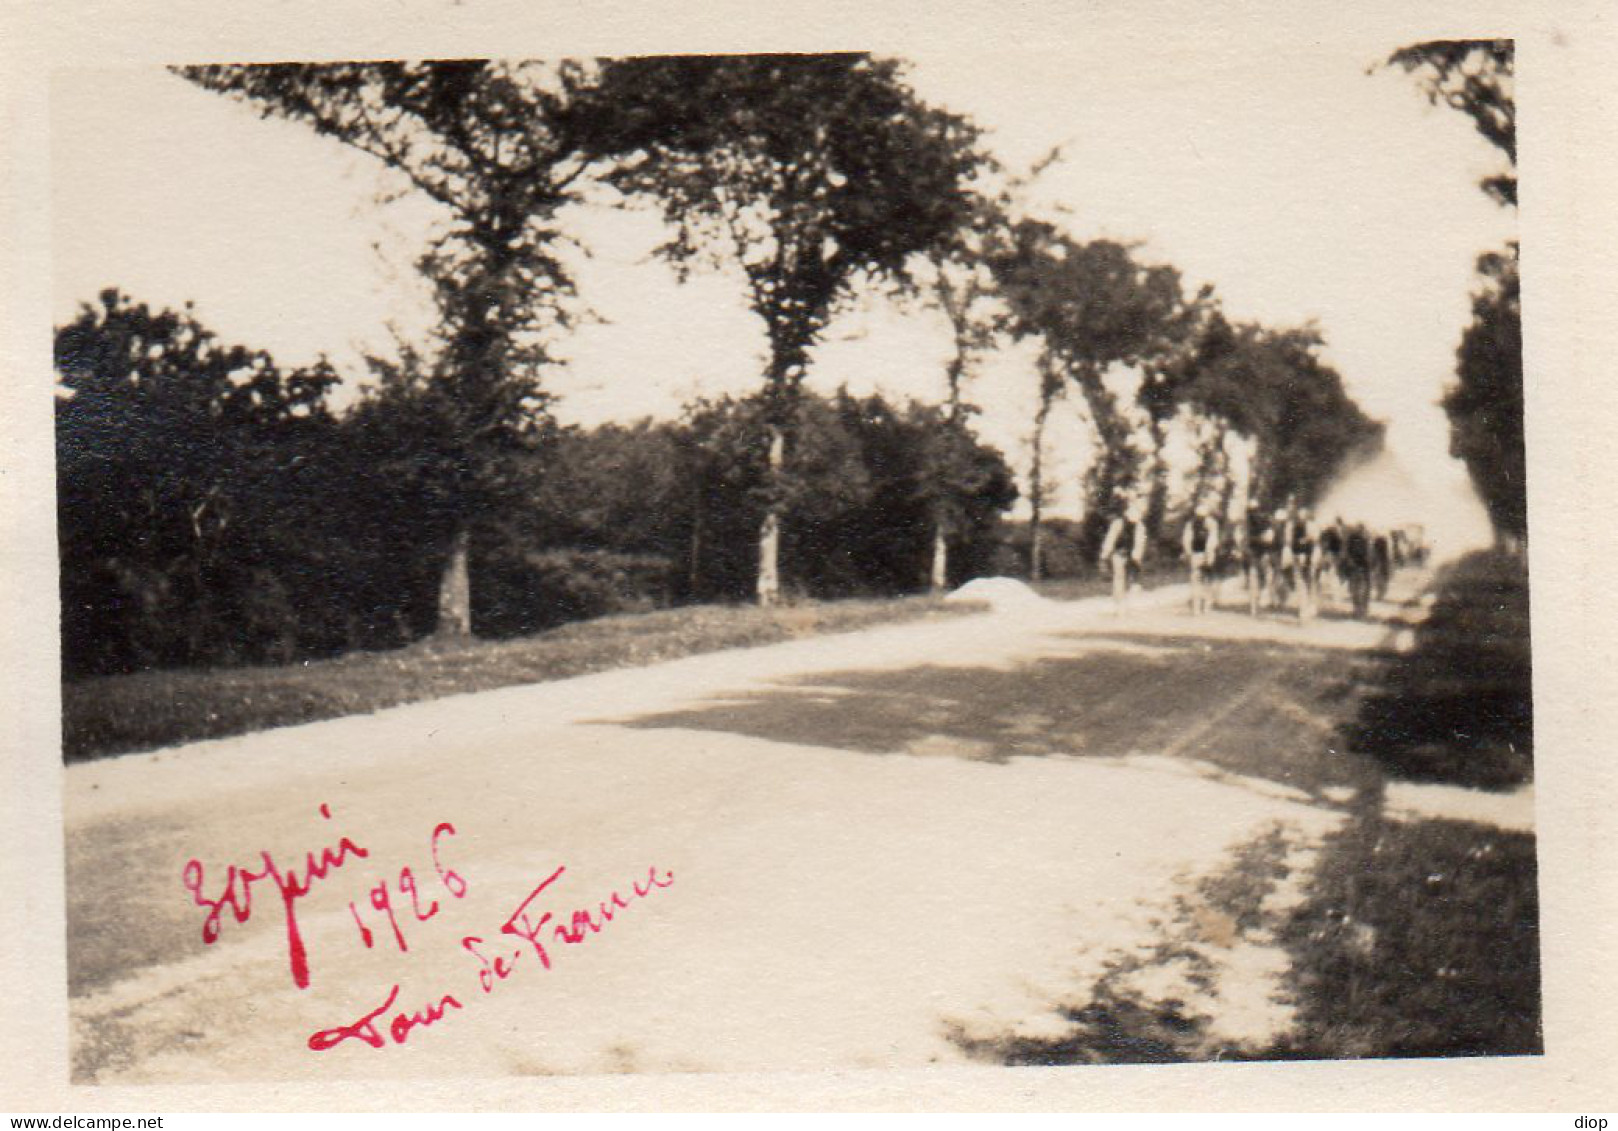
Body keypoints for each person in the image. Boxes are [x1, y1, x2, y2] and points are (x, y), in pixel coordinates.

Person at [1098, 498, 1148, 614]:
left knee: (1118, 580)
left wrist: (1104, 556)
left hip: (1119, 554)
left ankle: (1119, 606)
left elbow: (1110, 540)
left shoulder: (1118, 523)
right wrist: (1137, 560)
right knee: (1126, 580)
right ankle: (1124, 605)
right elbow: (1139, 543)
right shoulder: (1140, 526)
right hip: (1130, 555)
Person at [1181, 499, 1221, 616]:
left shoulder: (1191, 523)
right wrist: (1210, 554)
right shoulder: (1212, 523)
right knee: (1207, 580)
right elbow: (1213, 540)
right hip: (1206, 554)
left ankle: (1197, 608)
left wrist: (1188, 552)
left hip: (1195, 554)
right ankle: (1206, 606)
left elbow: (1186, 539)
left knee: (1196, 581)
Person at [1342, 521, 1373, 619]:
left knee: (1363, 590)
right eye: (1358, 529)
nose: (1360, 531)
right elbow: (1346, 552)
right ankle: (1357, 610)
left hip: (1364, 569)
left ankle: (1362, 610)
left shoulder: (1366, 539)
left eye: (1361, 529)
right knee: (1355, 590)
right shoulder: (1351, 539)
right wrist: (1349, 561)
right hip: (1355, 568)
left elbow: (1370, 555)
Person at [1371, 529, 1393, 602]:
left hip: (1381, 567)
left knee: (1379, 581)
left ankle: (1380, 595)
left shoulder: (1378, 552)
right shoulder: (1384, 553)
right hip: (1382, 568)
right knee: (1381, 582)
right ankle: (1380, 595)